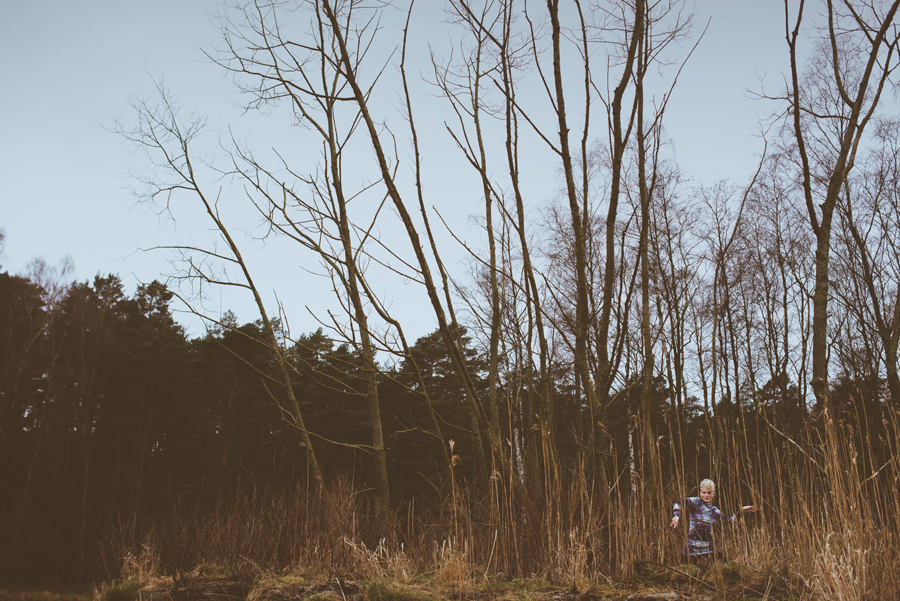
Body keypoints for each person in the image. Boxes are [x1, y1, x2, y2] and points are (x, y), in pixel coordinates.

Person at [670, 479, 756, 564]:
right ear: (700, 493)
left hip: (709, 547)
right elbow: (678, 503)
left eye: (709, 493)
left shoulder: (714, 510)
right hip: (692, 547)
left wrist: (742, 511)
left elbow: (730, 520)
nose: (706, 495)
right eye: (704, 492)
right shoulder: (695, 502)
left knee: (723, 567)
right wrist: (676, 516)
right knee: (686, 571)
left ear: (713, 494)